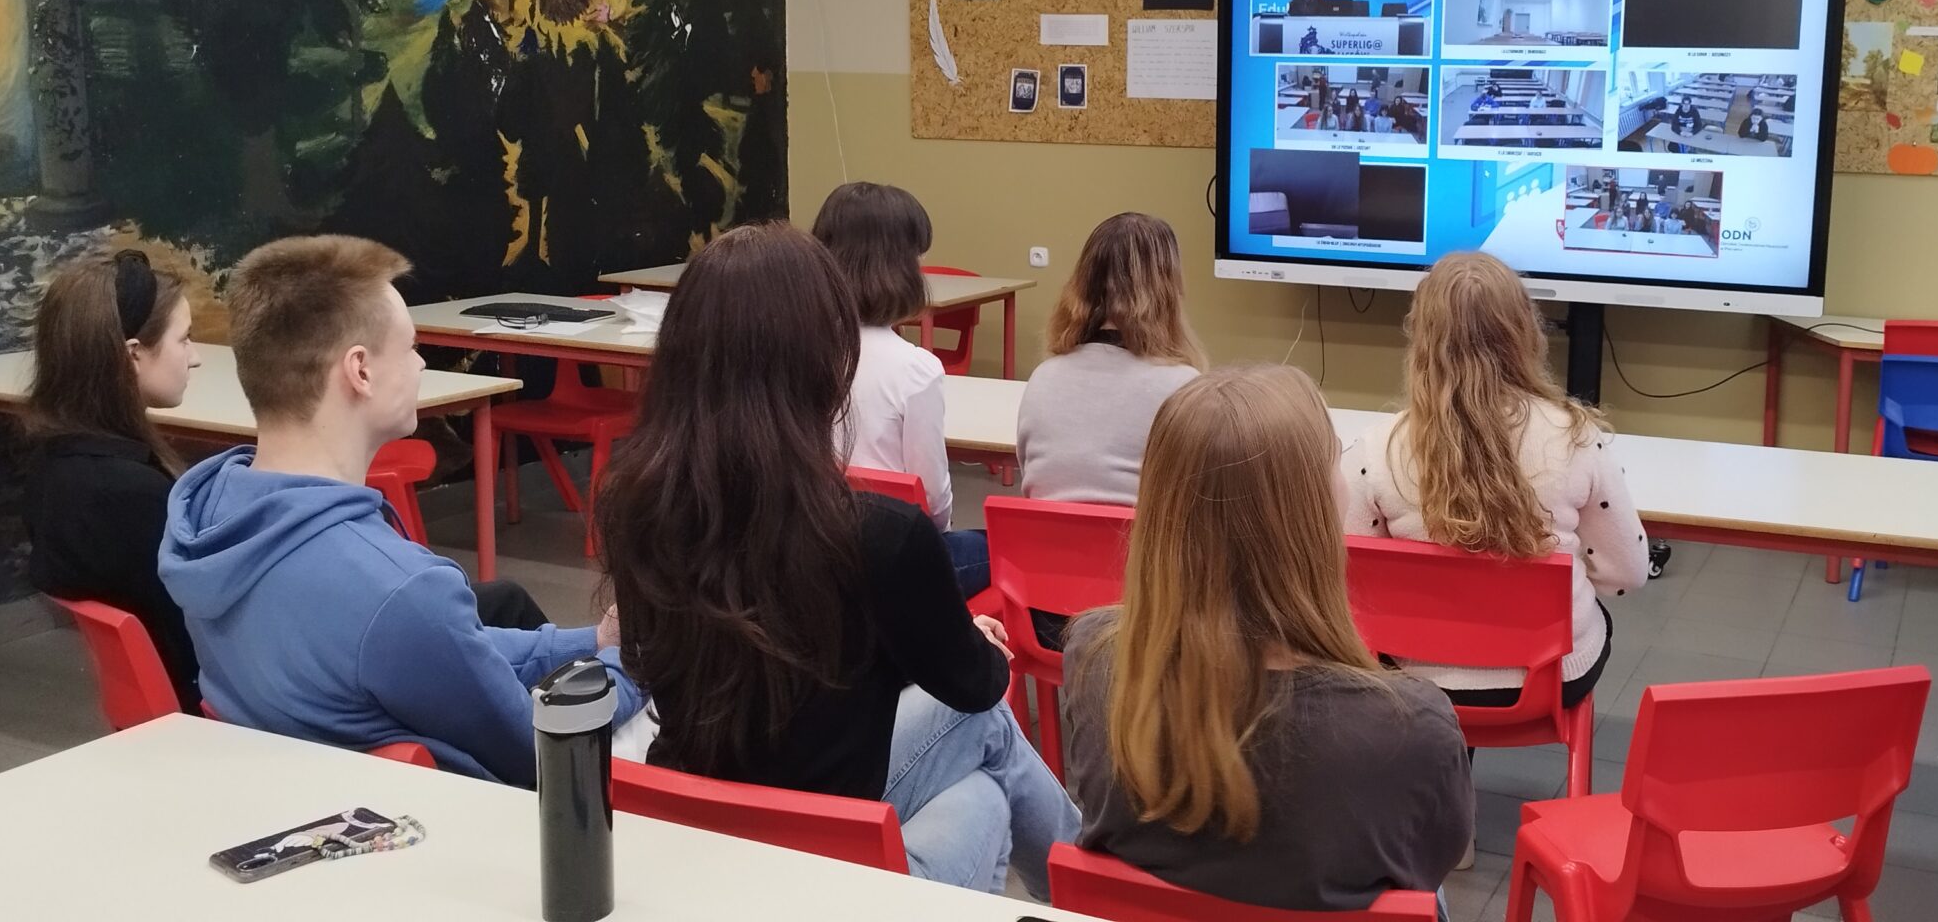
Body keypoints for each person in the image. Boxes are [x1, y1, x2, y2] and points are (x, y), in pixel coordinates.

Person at [601, 224, 1078, 895]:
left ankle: (1092, 884)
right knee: (986, 789)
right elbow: (974, 686)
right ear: (825, 364)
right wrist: (965, 642)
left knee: (981, 772)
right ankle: (1095, 890)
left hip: (697, 833)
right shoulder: (880, 535)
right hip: (824, 865)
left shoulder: (633, 506)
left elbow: (659, 660)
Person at [159, 236, 634, 786]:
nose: (420, 363)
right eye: (410, 347)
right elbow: (544, 752)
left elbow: (449, 650)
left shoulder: (208, 509)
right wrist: (635, 664)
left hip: (302, 806)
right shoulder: (398, 591)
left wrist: (591, 644)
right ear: (359, 371)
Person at [1063, 365, 1470, 912]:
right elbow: (1428, 863)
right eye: (1335, 462)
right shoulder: (1411, 726)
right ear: (1312, 513)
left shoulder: (1094, 658)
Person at [1339, 252, 1646, 717]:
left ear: (1421, 337)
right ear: (1525, 331)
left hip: (1417, 681)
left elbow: (1350, 573)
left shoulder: (1376, 449)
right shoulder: (1577, 438)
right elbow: (1627, 574)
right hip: (1552, 678)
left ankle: (1447, 752)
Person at [22, 250, 206, 713]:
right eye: (185, 339)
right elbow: (204, 629)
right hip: (206, 710)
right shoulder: (130, 495)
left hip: (158, 706)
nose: (196, 358)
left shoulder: (52, 465)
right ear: (133, 354)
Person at [1019, 213, 1205, 507]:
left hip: (1040, 537)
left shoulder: (1044, 375)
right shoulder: (1183, 387)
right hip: (1141, 538)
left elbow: (1031, 475)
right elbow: (1194, 497)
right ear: (1169, 289)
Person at [812, 182, 960, 543]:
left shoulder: (794, 348)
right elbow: (933, 502)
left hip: (807, 537)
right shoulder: (916, 370)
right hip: (886, 546)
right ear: (901, 268)